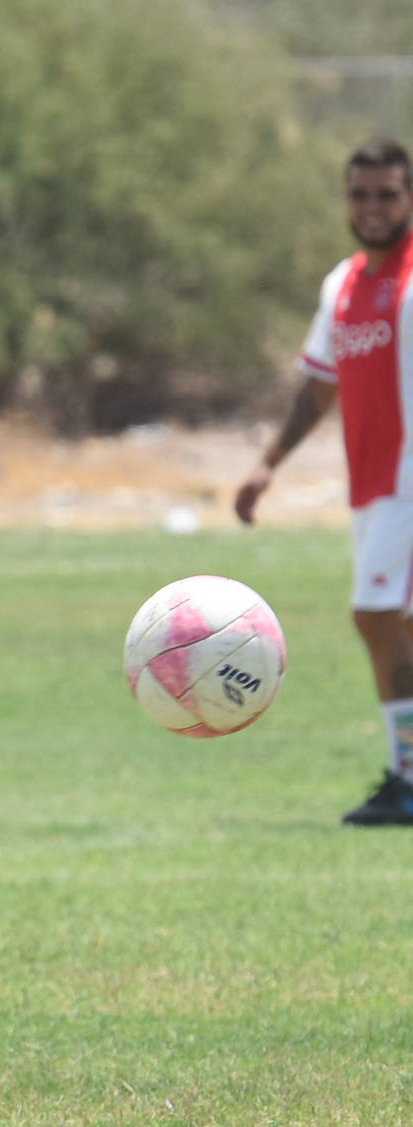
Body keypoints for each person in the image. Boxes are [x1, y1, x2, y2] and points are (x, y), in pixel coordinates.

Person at [236, 138, 413, 825]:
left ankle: (406, 779)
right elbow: (319, 382)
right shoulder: (341, 284)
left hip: (408, 485)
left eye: (388, 195)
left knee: (374, 616)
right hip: (371, 487)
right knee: (399, 624)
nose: (373, 207)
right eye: (361, 194)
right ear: (346, 199)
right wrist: (267, 462)